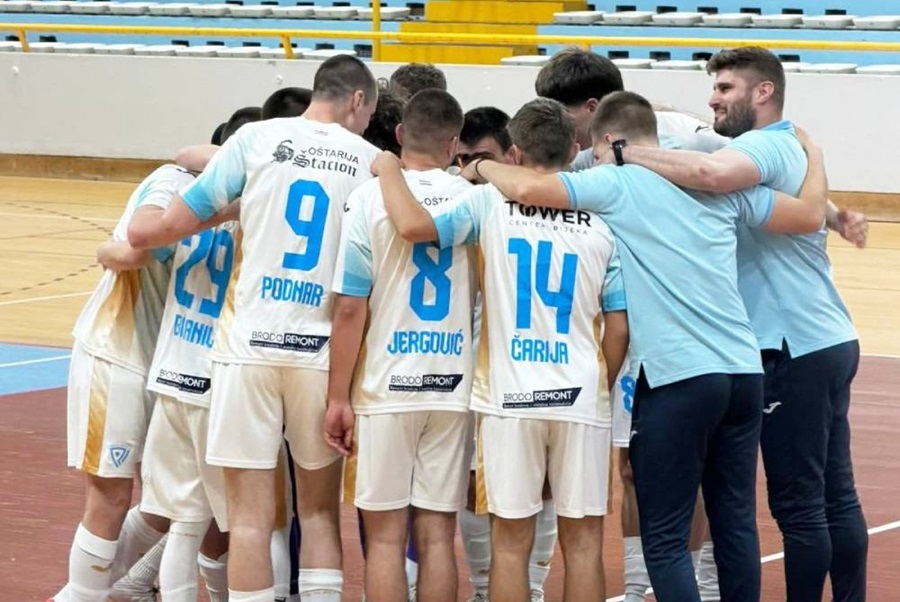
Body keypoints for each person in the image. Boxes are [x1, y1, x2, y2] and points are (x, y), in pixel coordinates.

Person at [455, 90, 831, 602]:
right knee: (736, 523)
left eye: (595, 149)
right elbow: (809, 215)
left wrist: (480, 167)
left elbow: (526, 186)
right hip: (744, 372)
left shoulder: (616, 180)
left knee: (665, 537)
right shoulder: (718, 184)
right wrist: (816, 155)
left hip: (678, 375)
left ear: (611, 141)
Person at [613, 46, 869, 602]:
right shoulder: (788, 144)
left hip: (788, 344)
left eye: (725, 88)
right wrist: (835, 210)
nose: (713, 98)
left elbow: (709, 171)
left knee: (800, 507)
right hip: (828, 335)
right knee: (836, 496)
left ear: (763, 91)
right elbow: (737, 164)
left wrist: (624, 152)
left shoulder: (758, 147)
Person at [127, 54, 380, 602]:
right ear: (358, 100)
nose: (365, 124)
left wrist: (150, 232)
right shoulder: (371, 161)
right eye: (368, 114)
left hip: (246, 351)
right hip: (319, 353)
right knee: (318, 513)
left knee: (247, 519)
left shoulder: (253, 140)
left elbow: (173, 223)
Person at [372, 97, 630, 602]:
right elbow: (618, 327)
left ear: (513, 153)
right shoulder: (602, 221)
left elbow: (414, 227)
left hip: (509, 398)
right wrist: (598, 382)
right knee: (584, 546)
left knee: (509, 546)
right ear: (573, 150)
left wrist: (388, 169)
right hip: (581, 395)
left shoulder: (489, 204)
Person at [535, 46, 724, 599]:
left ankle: (705, 579)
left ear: (593, 109)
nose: (563, 132)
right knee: (630, 467)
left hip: (685, 328)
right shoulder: (589, 153)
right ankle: (642, 584)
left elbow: (743, 167)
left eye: (566, 117)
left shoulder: (690, 141)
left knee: (691, 469)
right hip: (627, 324)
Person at [325, 89, 474, 602]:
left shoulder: (368, 197)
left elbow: (349, 307)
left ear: (399, 134)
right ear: (454, 144)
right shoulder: (475, 199)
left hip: (386, 385)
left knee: (386, 540)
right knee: (437, 537)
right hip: (452, 385)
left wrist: (337, 397)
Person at [49, 162, 218, 602]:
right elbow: (134, 248)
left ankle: (118, 588)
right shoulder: (175, 181)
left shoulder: (252, 199)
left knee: (167, 502)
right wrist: (111, 249)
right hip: (116, 353)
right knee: (111, 495)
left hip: (172, 365)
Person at [452, 104, 559, 602]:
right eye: (462, 158)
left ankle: (531, 588)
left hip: (536, 361)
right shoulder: (461, 199)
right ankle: (482, 588)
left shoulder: (518, 200)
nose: (470, 168)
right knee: (475, 480)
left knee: (541, 484)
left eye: (482, 158)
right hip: (472, 363)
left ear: (510, 156)